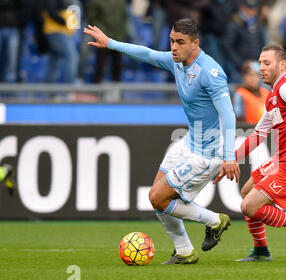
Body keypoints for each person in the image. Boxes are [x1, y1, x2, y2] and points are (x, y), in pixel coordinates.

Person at [84, 18, 240, 264]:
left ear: (195, 44)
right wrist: (111, 43)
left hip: (207, 153)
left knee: (158, 197)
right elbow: (147, 54)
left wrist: (229, 156)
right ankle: (185, 251)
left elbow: (229, 114)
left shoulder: (210, 72)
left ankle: (214, 221)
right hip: (189, 142)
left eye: (180, 42)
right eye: (171, 41)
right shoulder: (176, 61)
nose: (174, 47)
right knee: (159, 198)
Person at [214, 44, 286, 262]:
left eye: (266, 63)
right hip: (282, 159)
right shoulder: (271, 99)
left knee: (249, 206)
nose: (261, 67)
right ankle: (261, 251)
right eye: (260, 62)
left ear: (282, 65)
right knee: (246, 191)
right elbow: (257, 136)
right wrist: (230, 160)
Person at [222, 0, 267, 83]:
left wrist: (261, 60)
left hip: (257, 64)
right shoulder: (234, 23)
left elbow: (262, 43)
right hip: (239, 68)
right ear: (242, 7)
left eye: (254, 9)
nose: (251, 11)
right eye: (248, 8)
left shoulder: (257, 23)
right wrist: (241, 63)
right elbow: (228, 46)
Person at [86, 0, 128, 83]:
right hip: (103, 38)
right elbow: (91, 18)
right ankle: (96, 91)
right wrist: (100, 33)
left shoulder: (121, 2)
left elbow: (124, 18)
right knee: (100, 66)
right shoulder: (96, 2)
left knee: (117, 67)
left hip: (118, 38)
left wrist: (122, 35)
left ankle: (117, 92)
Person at [233, 60, 269, 124]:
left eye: (256, 75)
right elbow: (239, 118)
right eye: (250, 74)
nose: (253, 78)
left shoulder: (265, 92)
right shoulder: (240, 93)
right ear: (244, 76)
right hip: (247, 131)